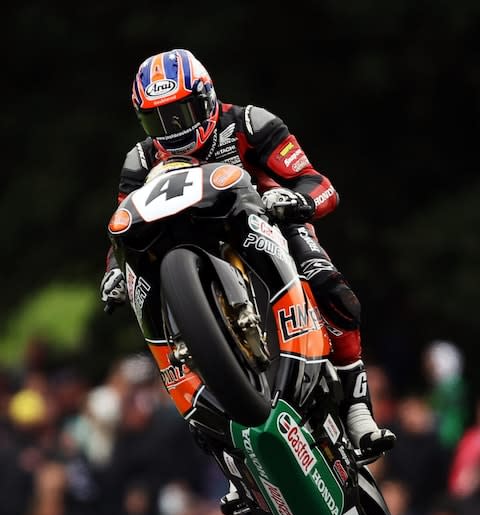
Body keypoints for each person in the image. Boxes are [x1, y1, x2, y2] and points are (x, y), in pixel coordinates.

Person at [101, 48, 395, 467]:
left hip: (263, 224)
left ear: (205, 98)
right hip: (182, 247)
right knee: (141, 291)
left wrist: (297, 201)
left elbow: (318, 182)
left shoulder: (249, 123)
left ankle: (356, 404)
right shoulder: (141, 160)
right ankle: (229, 458)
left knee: (328, 283)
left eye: (181, 113)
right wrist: (114, 272)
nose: (172, 130)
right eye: (158, 121)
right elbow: (123, 225)